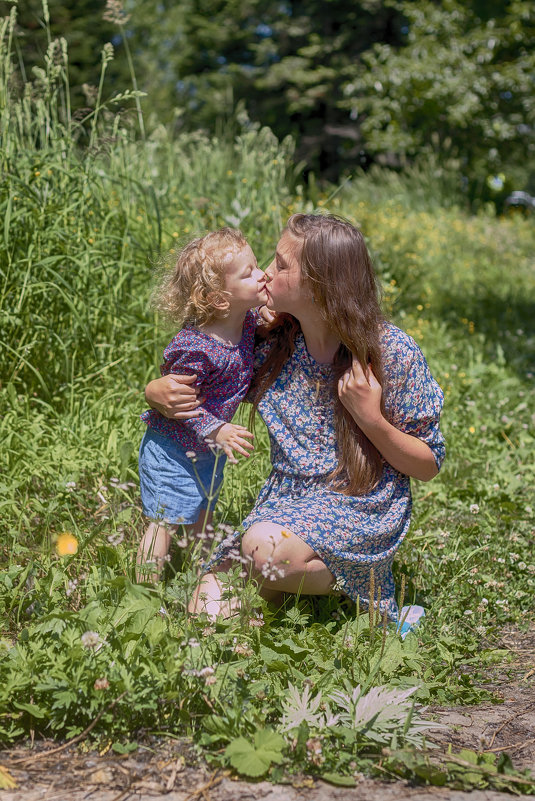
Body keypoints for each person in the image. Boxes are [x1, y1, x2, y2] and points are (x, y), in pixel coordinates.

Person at [144, 213, 445, 618]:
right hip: (284, 504)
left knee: (263, 549)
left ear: (320, 286)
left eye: (281, 265)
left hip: (358, 504)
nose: (266, 274)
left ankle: (360, 578)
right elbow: (206, 377)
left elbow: (426, 465)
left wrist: (370, 417)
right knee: (204, 611)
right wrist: (155, 391)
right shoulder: (271, 345)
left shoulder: (389, 352)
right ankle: (297, 581)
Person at [137, 228, 267, 581]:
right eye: (249, 272)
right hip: (172, 449)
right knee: (164, 523)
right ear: (220, 299)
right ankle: (145, 596)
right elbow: (181, 405)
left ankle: (201, 575)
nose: (262, 275)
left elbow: (265, 320)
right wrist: (218, 428)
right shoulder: (195, 348)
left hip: (207, 452)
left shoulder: (246, 323)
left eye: (258, 266)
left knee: (202, 515)